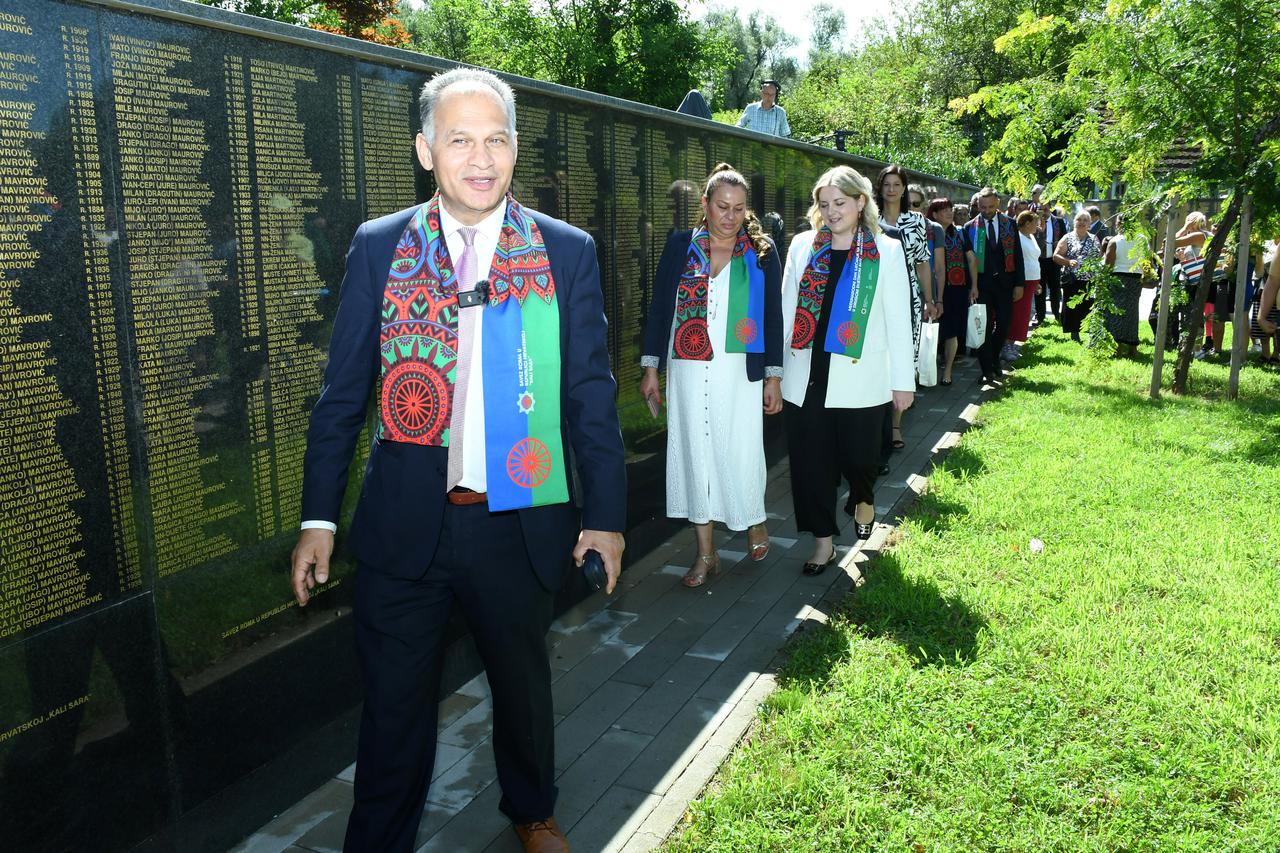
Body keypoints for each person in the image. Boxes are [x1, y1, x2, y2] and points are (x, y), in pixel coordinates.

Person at [290, 68, 627, 853]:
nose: (481, 159)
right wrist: (318, 519)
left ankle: (532, 809)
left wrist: (606, 518)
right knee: (393, 712)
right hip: (405, 529)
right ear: (425, 149)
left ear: (515, 148)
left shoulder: (563, 252)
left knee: (522, 687)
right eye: (460, 139)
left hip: (516, 522)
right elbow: (341, 394)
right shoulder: (380, 248)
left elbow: (590, 394)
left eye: (496, 139)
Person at [640, 164, 783, 587]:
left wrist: (773, 377)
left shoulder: (760, 252)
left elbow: (772, 316)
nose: (730, 216)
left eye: (739, 209)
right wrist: (651, 368)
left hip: (739, 370)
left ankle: (753, 519)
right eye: (722, 207)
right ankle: (706, 554)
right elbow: (660, 309)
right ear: (705, 204)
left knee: (740, 449)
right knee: (693, 453)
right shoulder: (682, 246)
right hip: (687, 368)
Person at [780, 165, 915, 574]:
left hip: (861, 378)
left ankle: (863, 497)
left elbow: (898, 319)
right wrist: (773, 371)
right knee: (811, 466)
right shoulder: (803, 246)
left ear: (860, 202)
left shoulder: (885, 250)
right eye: (825, 204)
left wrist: (902, 382)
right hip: (806, 376)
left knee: (860, 459)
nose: (832, 211)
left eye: (840, 202)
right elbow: (787, 311)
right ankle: (823, 543)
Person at [875, 165, 933, 450]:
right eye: (887, 184)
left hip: (907, 295)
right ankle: (875, 422)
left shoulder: (916, 222)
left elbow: (923, 262)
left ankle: (896, 425)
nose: (891, 189)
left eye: (897, 184)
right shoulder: (868, 218)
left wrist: (929, 299)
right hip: (872, 296)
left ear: (904, 187)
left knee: (903, 356)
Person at [963, 187, 1025, 382]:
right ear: (978, 205)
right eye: (983, 207)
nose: (987, 210)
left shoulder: (1010, 224)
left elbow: (1018, 255)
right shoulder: (970, 227)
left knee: (1004, 324)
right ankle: (986, 369)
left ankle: (994, 359)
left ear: (998, 203)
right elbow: (968, 262)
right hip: (981, 285)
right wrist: (971, 287)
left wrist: (1019, 284)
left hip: (1006, 283)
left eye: (990, 206)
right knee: (984, 327)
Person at [926, 197, 973, 385]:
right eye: (943, 209)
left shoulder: (960, 233)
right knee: (931, 331)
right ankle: (927, 370)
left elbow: (972, 260)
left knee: (952, 332)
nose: (949, 212)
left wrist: (974, 286)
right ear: (934, 214)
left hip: (956, 290)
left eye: (950, 208)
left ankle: (948, 372)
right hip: (933, 290)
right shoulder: (926, 234)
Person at [1054, 209, 1102, 342]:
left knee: (1088, 306)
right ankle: (1074, 333)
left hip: (1089, 279)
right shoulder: (1067, 237)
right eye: (1079, 219)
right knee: (1072, 307)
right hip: (1072, 279)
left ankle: (1088, 332)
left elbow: (1099, 257)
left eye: (1085, 220)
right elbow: (1056, 256)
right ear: (1074, 222)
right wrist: (1068, 262)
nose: (1081, 222)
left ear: (1089, 223)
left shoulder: (1094, 238)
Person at [1103, 217, 1149, 357]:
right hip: (1136, 279)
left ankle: (1117, 347)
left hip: (1118, 278)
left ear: (1119, 224)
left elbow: (1108, 264)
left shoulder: (1115, 240)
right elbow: (1147, 262)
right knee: (1132, 312)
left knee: (1116, 312)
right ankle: (1132, 347)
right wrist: (1145, 277)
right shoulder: (1142, 239)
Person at [1175, 212, 1216, 356]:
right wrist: (1182, 258)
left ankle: (1196, 350)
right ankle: (1193, 348)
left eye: (1187, 222)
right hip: (1205, 279)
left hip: (1197, 281)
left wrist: (1184, 227)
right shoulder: (1208, 234)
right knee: (1197, 315)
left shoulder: (1197, 235)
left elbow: (1172, 241)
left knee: (1194, 315)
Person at [1008, 210, 1041, 350]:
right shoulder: (1018, 237)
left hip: (1032, 279)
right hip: (1024, 280)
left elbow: (1034, 258)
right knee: (1017, 314)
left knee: (1026, 314)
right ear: (1027, 223)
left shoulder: (1031, 236)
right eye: (1035, 223)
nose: (1037, 226)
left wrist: (1038, 282)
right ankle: (1007, 345)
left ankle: (1014, 343)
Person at [1037, 203, 1068, 323]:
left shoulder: (1059, 222)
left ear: (1050, 207)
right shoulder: (1035, 221)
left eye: (1045, 208)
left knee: (1055, 288)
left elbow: (1065, 239)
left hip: (1054, 260)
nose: (1043, 211)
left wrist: (1059, 246)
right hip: (1039, 260)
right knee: (1040, 290)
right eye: (1040, 208)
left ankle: (1056, 315)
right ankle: (1040, 317)